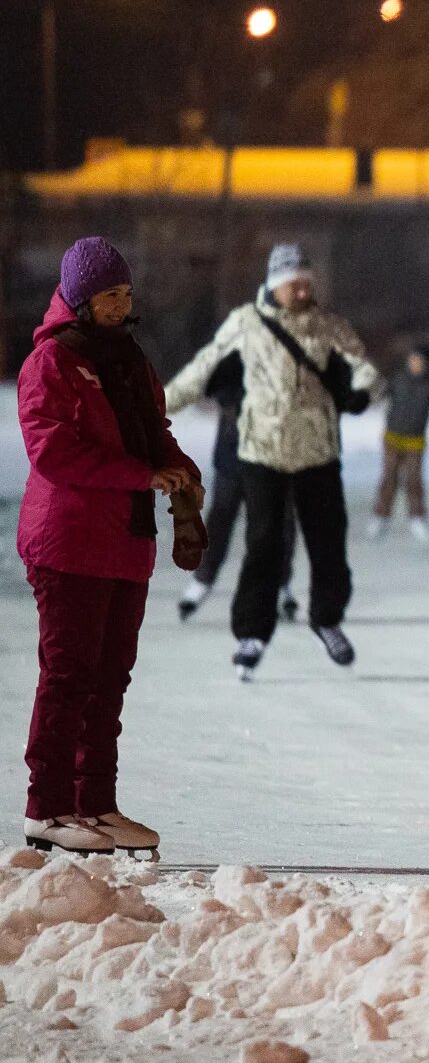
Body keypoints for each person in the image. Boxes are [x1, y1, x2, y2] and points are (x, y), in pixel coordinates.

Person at [17, 237, 201, 858]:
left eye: (125, 292)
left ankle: (95, 802)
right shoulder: (51, 362)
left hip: (124, 540)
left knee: (109, 680)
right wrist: (141, 476)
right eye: (108, 295)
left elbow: (153, 433)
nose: (121, 305)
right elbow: (53, 451)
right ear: (79, 299)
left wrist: (179, 470)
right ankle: (47, 807)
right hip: (68, 542)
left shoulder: (129, 359)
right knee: (68, 676)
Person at [165, 243, 378, 680]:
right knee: (263, 546)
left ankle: (327, 619)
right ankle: (251, 634)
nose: (302, 292)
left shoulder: (328, 326)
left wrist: (362, 392)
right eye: (293, 285)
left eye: (306, 284)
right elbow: (200, 371)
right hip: (263, 453)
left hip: (317, 453)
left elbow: (365, 367)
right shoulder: (246, 323)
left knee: (329, 544)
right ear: (274, 285)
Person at [175, 351, 299, 624]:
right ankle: (203, 579)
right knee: (221, 517)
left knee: (280, 523)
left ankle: (281, 584)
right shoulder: (236, 352)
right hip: (234, 458)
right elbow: (216, 385)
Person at [370, 341, 429, 541]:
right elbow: (379, 393)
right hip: (393, 438)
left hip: (415, 441)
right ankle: (381, 517)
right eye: (412, 360)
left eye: (419, 361)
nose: (415, 364)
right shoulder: (398, 378)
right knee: (389, 479)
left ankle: (417, 518)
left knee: (414, 481)